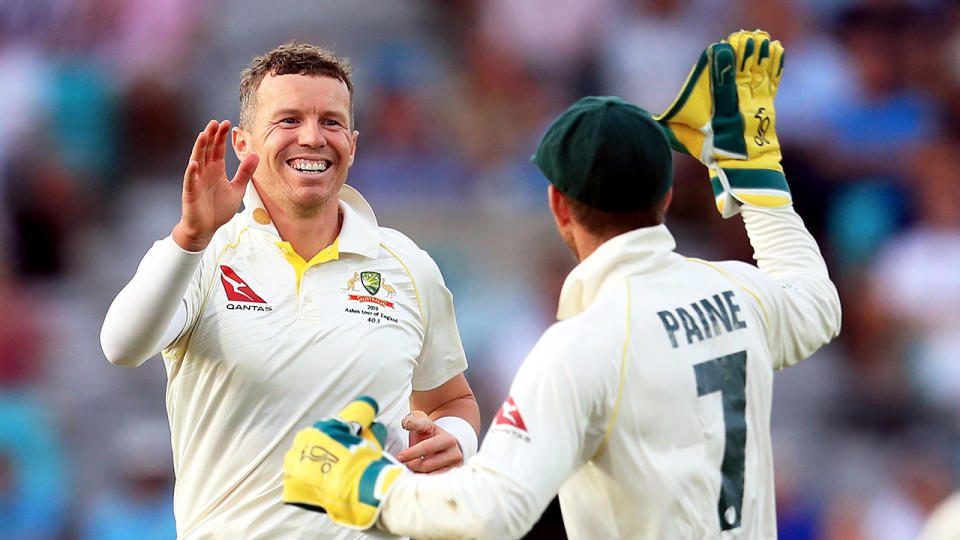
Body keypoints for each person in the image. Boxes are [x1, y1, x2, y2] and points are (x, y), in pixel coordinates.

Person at [281, 30, 842, 539]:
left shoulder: (582, 347)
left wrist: (362, 481)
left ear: (558, 205)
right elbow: (818, 306)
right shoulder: (738, 294)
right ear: (666, 197)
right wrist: (757, 176)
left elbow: (488, 512)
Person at [99, 42, 481, 539]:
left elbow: (452, 399)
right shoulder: (202, 253)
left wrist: (458, 439)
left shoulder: (408, 266)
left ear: (353, 141)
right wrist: (191, 237)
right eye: (288, 120)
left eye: (331, 121)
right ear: (243, 142)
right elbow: (121, 348)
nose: (312, 137)